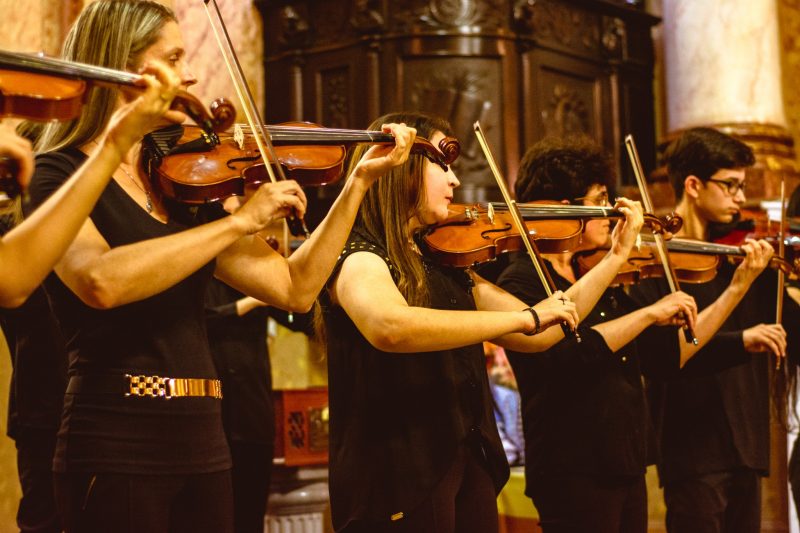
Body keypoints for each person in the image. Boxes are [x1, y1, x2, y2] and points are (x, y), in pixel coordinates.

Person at [25, 1, 415, 531]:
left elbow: (295, 288)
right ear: (125, 68)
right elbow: (101, 281)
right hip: (115, 436)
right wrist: (236, 223)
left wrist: (358, 186)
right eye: (173, 57)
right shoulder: (58, 171)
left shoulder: (177, 179)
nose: (190, 74)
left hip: (205, 438)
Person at [318, 111, 667, 533]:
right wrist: (522, 319)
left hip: (467, 459)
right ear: (403, 166)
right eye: (442, 165)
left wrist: (614, 258)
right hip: (398, 469)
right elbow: (390, 326)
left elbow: (545, 331)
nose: (454, 182)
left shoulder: (446, 265)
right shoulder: (359, 254)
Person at [495, 136, 777, 533]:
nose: (612, 214)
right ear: (562, 208)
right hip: (573, 467)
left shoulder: (593, 277)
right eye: (601, 200)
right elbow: (569, 354)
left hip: (624, 462)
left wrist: (736, 288)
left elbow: (671, 356)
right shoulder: (521, 280)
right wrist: (643, 307)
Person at [633, 127, 799, 533]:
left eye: (742, 187)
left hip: (747, 442)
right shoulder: (656, 262)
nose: (741, 199)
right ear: (693, 185)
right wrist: (742, 333)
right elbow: (665, 358)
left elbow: (789, 331)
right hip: (693, 448)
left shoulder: (736, 258)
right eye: (731, 186)